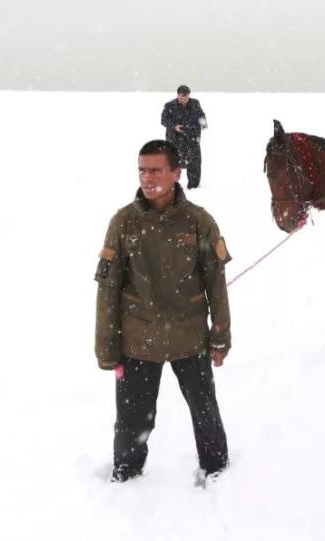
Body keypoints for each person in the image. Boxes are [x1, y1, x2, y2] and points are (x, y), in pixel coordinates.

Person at [95, 139, 232, 484]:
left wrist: (221, 335)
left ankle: (216, 469)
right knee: (133, 421)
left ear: (176, 173)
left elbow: (216, 285)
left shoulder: (199, 221)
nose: (147, 177)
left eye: (156, 170)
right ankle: (126, 475)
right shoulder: (123, 222)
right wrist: (107, 347)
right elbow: (108, 289)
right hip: (138, 341)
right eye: (142, 170)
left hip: (190, 338)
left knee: (205, 411)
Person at [160, 85, 208, 189]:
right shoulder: (169, 106)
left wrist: (203, 123)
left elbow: (200, 114)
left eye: (184, 97)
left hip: (192, 139)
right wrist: (174, 126)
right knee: (173, 165)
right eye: (180, 96)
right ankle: (170, 187)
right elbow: (163, 120)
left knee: (195, 163)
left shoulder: (195, 103)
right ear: (177, 95)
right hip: (175, 140)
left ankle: (194, 187)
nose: (181, 99)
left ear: (188, 95)